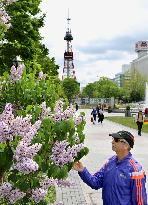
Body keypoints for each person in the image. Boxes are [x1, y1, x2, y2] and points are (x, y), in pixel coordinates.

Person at [73, 130, 147, 205]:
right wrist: (82, 170)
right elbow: (96, 183)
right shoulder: (109, 162)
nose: (112, 142)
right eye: (112, 139)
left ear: (126, 145)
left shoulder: (136, 171)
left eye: (116, 140)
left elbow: (140, 202)